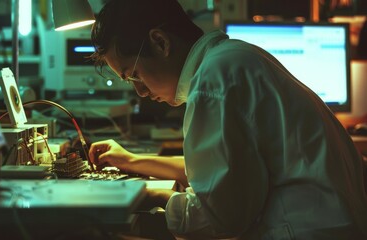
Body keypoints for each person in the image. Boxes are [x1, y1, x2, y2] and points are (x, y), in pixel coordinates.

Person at [87, 0, 367, 239]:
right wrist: (132, 161)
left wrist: (151, 196)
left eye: (133, 74)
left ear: (160, 42)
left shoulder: (213, 82)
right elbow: (225, 171)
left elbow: (220, 217)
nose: (140, 91)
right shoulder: (231, 59)